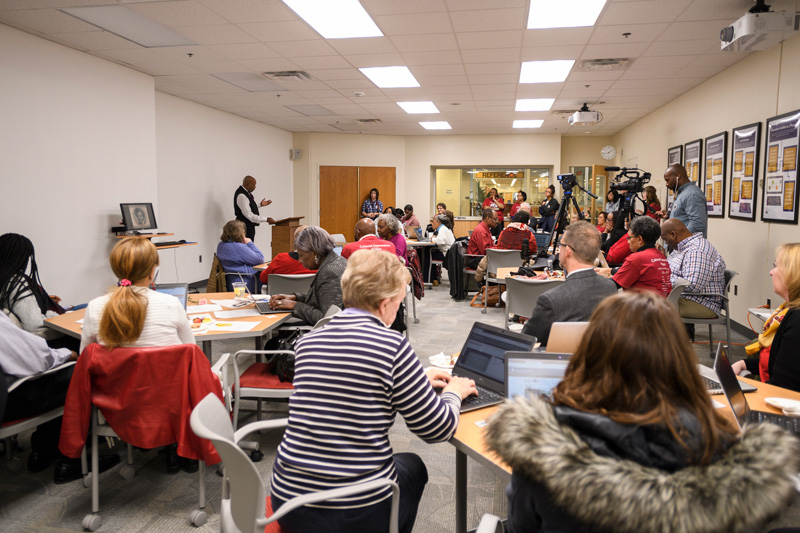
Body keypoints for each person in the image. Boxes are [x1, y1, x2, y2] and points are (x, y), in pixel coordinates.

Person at [485, 291, 797, 533]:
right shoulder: (723, 453)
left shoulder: (545, 456)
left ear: (590, 353)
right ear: (679, 358)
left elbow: (521, 526)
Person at [270, 249, 477, 533]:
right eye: (399, 304)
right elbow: (436, 429)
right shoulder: (391, 346)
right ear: (384, 303)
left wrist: (415, 377)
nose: (398, 312)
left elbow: (349, 384)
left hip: (289, 500)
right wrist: (454, 391)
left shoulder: (308, 342)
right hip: (350, 511)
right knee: (413, 467)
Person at [80, 237, 196, 473]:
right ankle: (184, 446)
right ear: (153, 271)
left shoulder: (95, 308)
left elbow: (85, 362)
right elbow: (192, 356)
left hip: (116, 405)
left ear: (116, 268)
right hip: (170, 404)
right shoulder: (171, 304)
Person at [521, 221, 616, 345]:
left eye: (561, 245)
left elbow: (526, 342)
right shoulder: (610, 288)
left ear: (568, 251)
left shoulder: (551, 300)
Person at [733, 243, 800, 392]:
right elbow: (781, 363)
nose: (771, 272)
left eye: (776, 266)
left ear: (792, 274)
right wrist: (744, 364)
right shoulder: (791, 310)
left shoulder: (797, 320)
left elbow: (782, 389)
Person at [268, 226, 347, 325]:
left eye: (301, 256)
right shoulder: (337, 261)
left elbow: (325, 319)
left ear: (314, 253)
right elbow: (322, 299)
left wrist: (295, 306)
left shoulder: (330, 272)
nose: (300, 261)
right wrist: (295, 298)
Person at [0, 233, 70, 339]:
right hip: (49, 338)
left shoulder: (5, 279)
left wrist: (38, 300)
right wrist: (56, 315)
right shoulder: (15, 283)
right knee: (86, 308)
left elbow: (17, 304)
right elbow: (35, 325)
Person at [660, 219, 725, 318]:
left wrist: (663, 279)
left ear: (673, 235)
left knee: (647, 307)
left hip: (700, 302)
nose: (666, 243)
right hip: (683, 297)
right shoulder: (681, 247)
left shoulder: (697, 251)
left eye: (665, 239)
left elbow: (692, 285)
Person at [595, 216, 671, 297]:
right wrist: (609, 270)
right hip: (660, 305)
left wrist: (589, 278)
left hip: (642, 306)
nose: (628, 241)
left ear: (639, 239)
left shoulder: (636, 258)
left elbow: (612, 285)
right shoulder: (661, 256)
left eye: (630, 237)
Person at [657, 163, 707, 237]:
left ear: (678, 176)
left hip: (689, 245)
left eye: (668, 180)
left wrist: (678, 239)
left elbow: (697, 224)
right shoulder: (682, 193)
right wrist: (669, 216)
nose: (666, 184)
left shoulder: (692, 194)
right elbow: (683, 218)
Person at [215, 220, 265, 293]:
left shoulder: (221, 245)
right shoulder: (238, 247)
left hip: (231, 280)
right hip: (245, 281)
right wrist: (249, 243)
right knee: (269, 275)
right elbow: (260, 259)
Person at [234, 175, 275, 240]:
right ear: (247, 184)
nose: (255, 187)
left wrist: (259, 205)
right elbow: (249, 215)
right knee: (246, 249)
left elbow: (247, 208)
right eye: (254, 185)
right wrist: (266, 219)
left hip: (246, 228)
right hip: (244, 229)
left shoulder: (245, 194)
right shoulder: (242, 196)